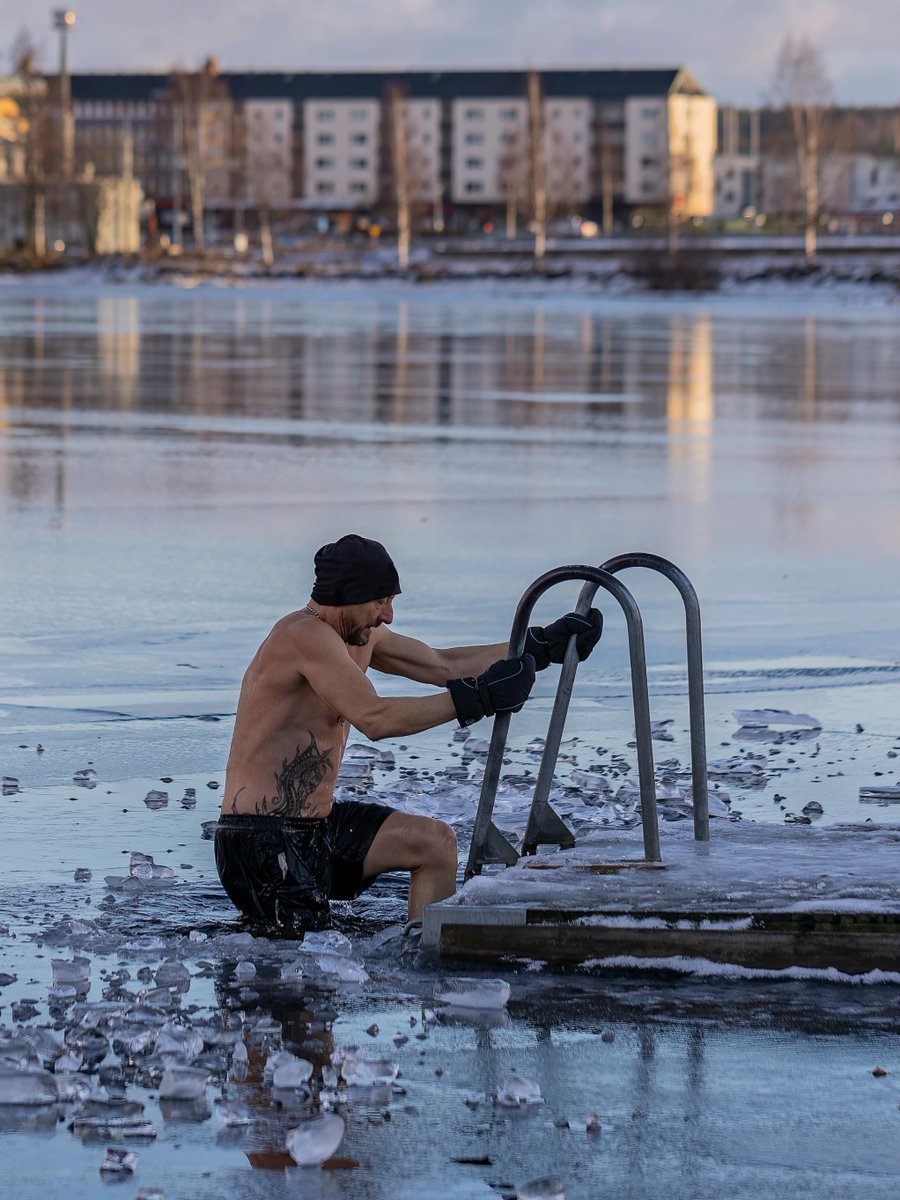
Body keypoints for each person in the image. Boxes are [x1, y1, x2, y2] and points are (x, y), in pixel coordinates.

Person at [215, 534, 603, 932]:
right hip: (260, 841)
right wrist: (479, 699)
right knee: (314, 965)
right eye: (380, 602)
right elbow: (376, 716)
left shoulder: (360, 637)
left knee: (433, 843)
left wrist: (537, 646)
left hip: (320, 827)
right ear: (347, 594)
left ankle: (426, 960)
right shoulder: (301, 635)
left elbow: (443, 665)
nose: (387, 616)